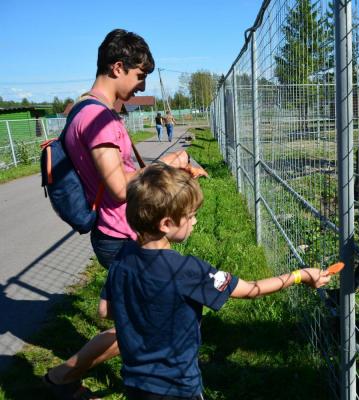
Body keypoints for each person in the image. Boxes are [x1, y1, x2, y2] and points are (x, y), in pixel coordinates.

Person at [43, 29, 207, 400]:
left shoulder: (97, 114)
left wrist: (171, 174)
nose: (138, 86)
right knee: (137, 328)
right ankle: (60, 379)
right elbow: (119, 188)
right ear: (118, 67)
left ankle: (62, 380)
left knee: (136, 326)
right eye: (138, 77)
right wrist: (166, 163)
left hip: (125, 230)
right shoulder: (95, 119)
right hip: (119, 234)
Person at [98, 163, 331, 399]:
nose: (195, 222)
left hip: (136, 383)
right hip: (178, 386)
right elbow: (251, 290)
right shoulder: (187, 270)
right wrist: (299, 276)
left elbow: (105, 309)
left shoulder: (122, 260)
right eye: (190, 216)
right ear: (166, 224)